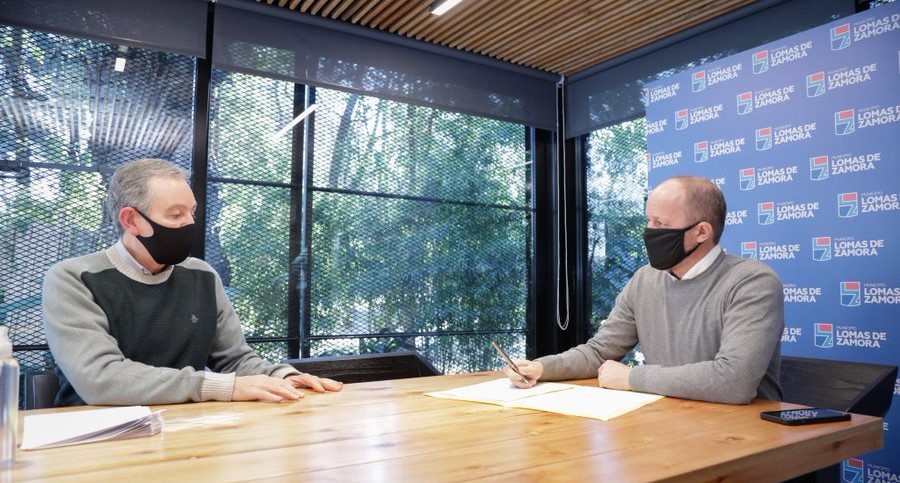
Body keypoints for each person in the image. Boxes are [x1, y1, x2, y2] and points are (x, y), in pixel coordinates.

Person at [42, 158, 342, 406]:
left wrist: (283, 378)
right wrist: (220, 387)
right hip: (94, 437)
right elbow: (101, 379)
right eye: (175, 215)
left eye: (192, 213)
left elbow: (235, 359)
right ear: (131, 220)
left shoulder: (202, 275)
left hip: (184, 428)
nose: (190, 223)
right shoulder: (73, 278)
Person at [504, 175, 784, 404]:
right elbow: (600, 352)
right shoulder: (645, 279)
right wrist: (541, 368)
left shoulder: (752, 282)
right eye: (649, 221)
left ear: (701, 232)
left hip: (743, 435)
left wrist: (631, 378)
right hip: (669, 423)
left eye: (660, 224)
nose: (649, 232)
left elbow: (733, 381)